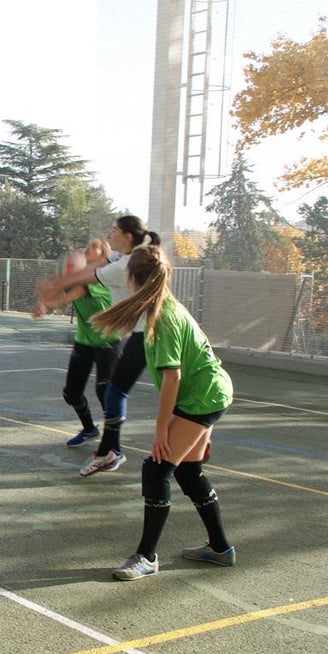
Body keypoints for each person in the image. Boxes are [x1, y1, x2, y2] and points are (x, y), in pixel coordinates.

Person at [88, 244, 235, 581]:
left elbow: (173, 377)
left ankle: (146, 557)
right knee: (187, 470)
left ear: (133, 279)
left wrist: (162, 430)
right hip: (209, 392)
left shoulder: (163, 317)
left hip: (203, 397)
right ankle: (220, 548)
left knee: (156, 470)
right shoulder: (158, 307)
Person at [38, 216, 159, 476]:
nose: (108, 234)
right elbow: (76, 282)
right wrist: (52, 291)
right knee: (99, 392)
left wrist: (53, 286)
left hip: (126, 337)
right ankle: (105, 446)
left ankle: (110, 451)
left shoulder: (117, 269)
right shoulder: (121, 260)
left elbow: (79, 285)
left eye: (113, 231)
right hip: (122, 335)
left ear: (126, 236)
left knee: (112, 391)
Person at [32, 239, 120, 446]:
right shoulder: (78, 276)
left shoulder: (101, 278)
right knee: (71, 393)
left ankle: (111, 442)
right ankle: (89, 429)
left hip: (107, 340)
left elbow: (69, 294)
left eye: (93, 247)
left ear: (102, 254)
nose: (86, 249)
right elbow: (56, 289)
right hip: (84, 340)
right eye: (86, 246)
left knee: (104, 390)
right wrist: (42, 299)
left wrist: (47, 300)